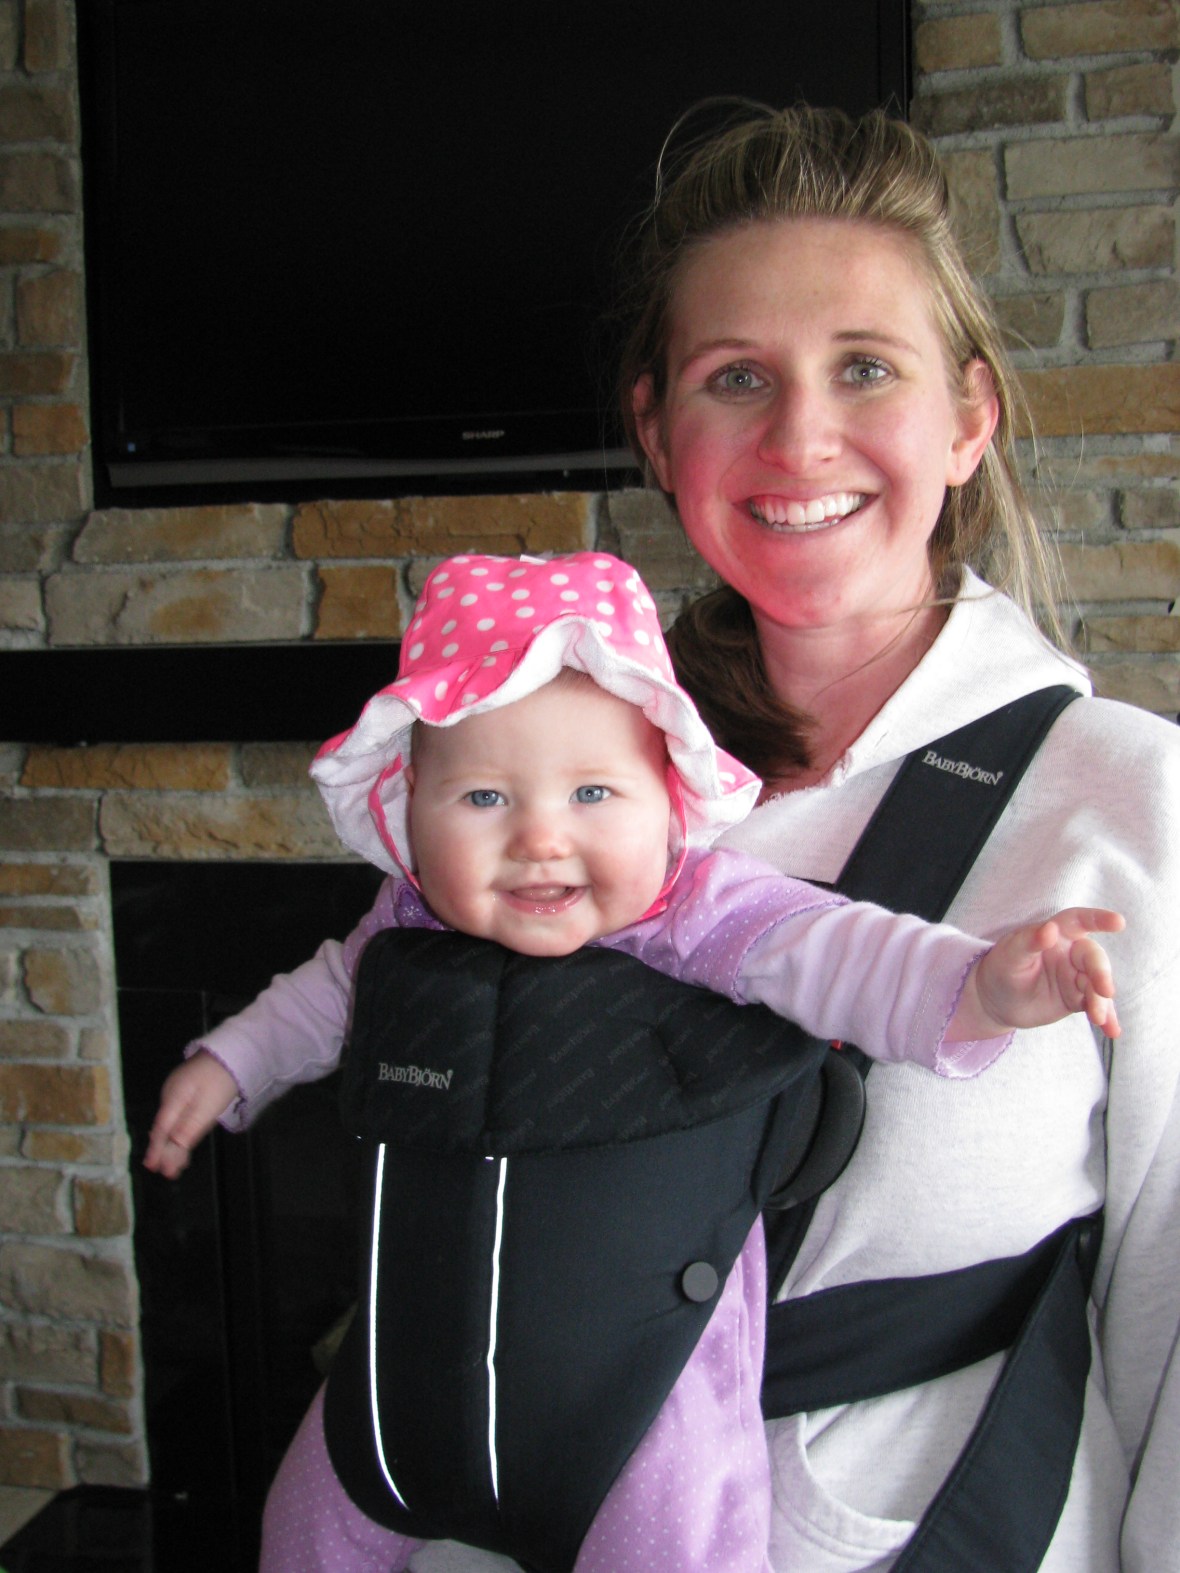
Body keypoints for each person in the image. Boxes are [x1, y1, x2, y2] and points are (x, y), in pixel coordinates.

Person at [147, 549, 1120, 1573]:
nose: (540, 838)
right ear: (410, 807)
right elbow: (323, 997)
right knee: (302, 1528)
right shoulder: (405, 926)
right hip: (400, 1391)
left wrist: (979, 983)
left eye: (591, 792)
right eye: (483, 798)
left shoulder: (697, 913)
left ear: (666, 798)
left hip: (642, 1409)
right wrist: (232, 1063)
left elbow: (839, 952)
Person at [606, 102, 1180, 1573]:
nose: (800, 437)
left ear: (968, 418)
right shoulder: (580, 792)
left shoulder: (1132, 798)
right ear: (658, 430)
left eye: (864, 366)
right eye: (736, 377)